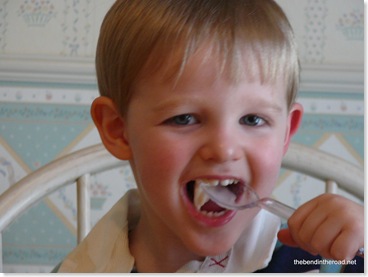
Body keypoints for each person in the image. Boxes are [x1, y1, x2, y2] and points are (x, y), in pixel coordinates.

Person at [55, 0, 364, 273]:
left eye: (252, 119)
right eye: (184, 118)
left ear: (286, 131)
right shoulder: (80, 269)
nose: (224, 149)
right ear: (118, 130)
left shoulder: (322, 262)